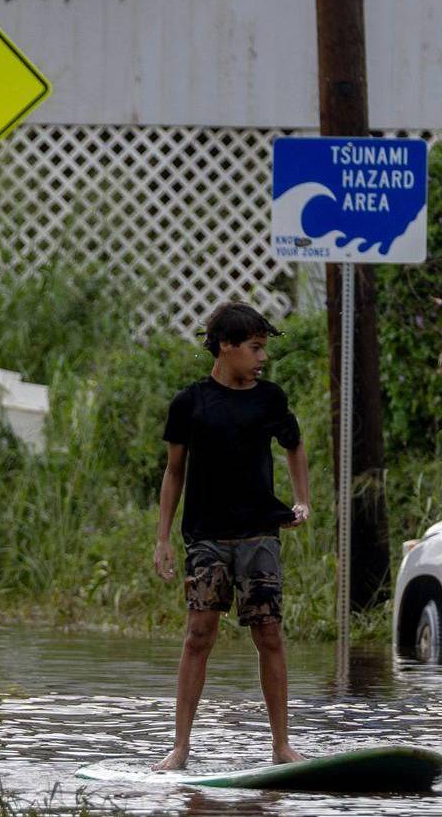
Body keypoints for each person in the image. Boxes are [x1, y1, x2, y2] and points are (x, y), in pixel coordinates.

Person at [151, 302, 312, 770]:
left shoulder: (270, 399)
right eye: (255, 348)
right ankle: (180, 746)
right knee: (199, 634)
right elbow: (173, 472)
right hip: (206, 537)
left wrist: (302, 500)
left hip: (260, 534)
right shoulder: (190, 403)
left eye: (264, 348)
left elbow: (294, 445)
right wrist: (163, 538)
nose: (262, 358)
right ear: (226, 346)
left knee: (269, 633)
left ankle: (281, 744)